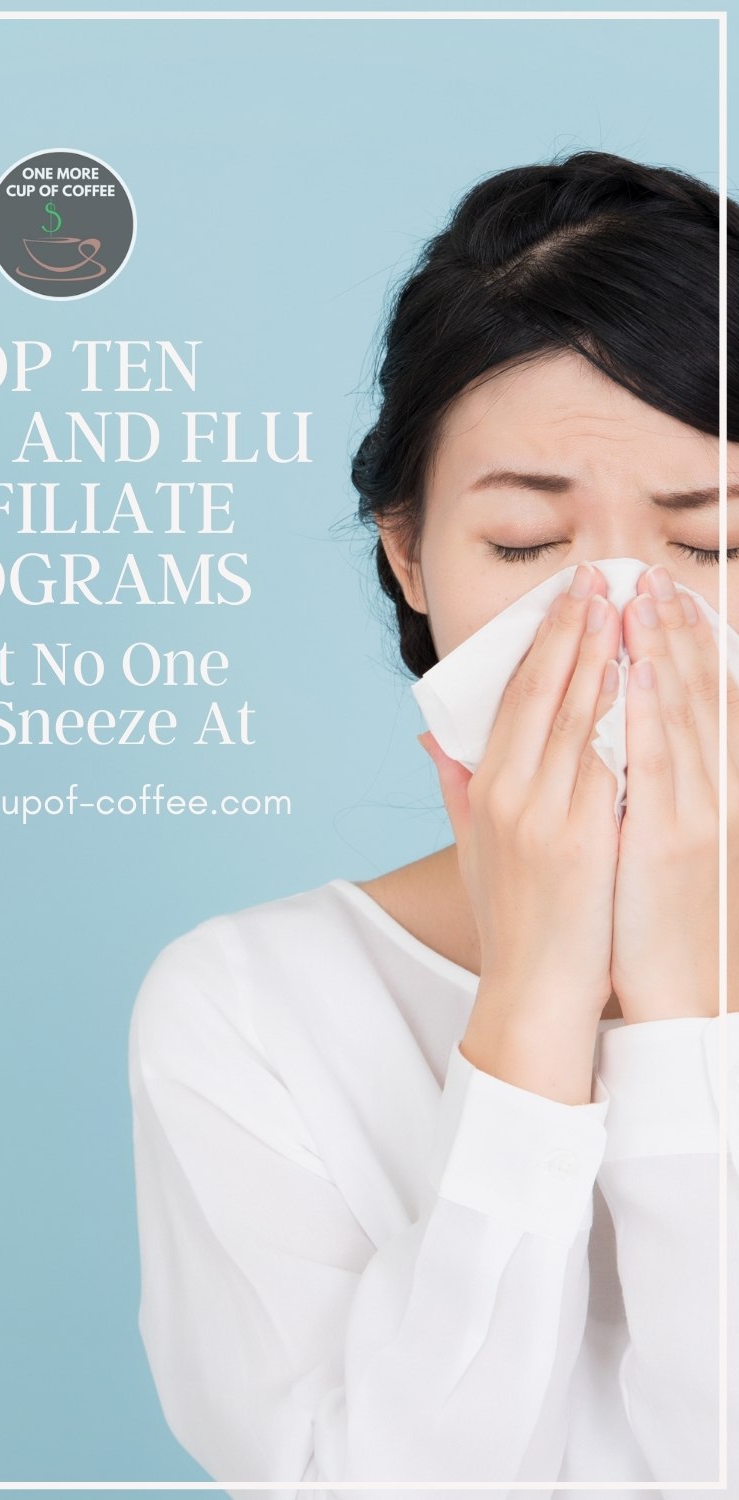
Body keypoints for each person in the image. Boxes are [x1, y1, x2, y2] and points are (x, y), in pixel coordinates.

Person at [127, 150, 739, 1498]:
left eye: (713, 546)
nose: (620, 621)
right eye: (526, 547)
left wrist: (689, 1012)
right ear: (410, 556)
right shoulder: (246, 1010)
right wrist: (533, 1004)